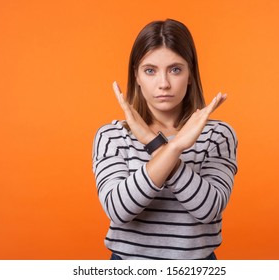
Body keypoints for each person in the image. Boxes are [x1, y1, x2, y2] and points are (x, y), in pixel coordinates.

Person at [92, 19, 238, 260]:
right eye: (150, 70)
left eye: (175, 69)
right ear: (136, 76)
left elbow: (209, 209)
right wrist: (173, 147)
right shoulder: (112, 136)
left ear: (190, 74)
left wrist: (154, 143)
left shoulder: (218, 134)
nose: (164, 84)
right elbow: (119, 210)